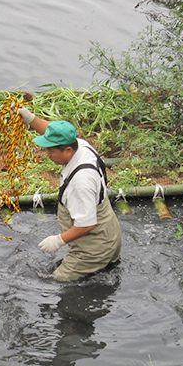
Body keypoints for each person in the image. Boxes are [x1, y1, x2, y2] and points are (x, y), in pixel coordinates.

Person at [19, 107, 121, 282]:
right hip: (109, 231)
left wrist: (58, 240)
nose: (47, 154)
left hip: (95, 247)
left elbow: (87, 224)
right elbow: (53, 132)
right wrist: (30, 119)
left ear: (67, 151)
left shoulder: (81, 182)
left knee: (58, 280)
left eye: (51, 151)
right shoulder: (81, 146)